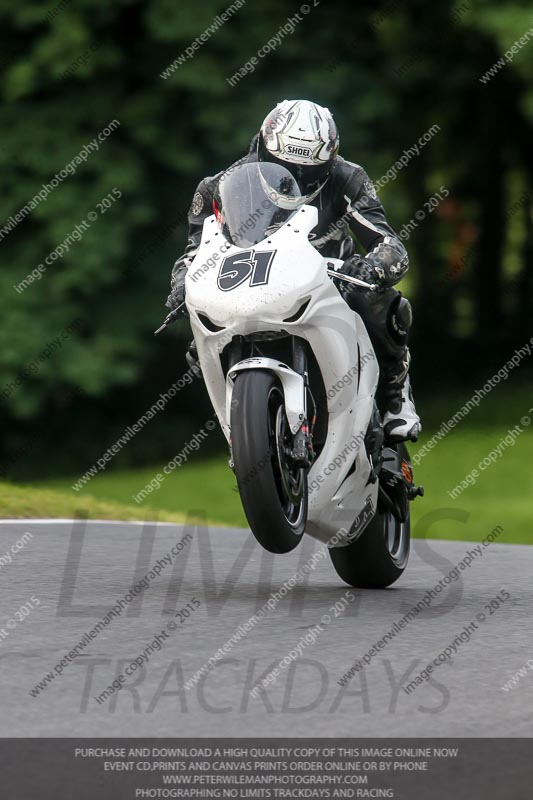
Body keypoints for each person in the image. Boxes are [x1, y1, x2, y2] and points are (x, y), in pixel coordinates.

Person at [166, 99, 420, 442]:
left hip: (329, 279)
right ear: (263, 148)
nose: (295, 178)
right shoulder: (218, 186)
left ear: (328, 163)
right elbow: (195, 251)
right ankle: (245, 432)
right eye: (282, 166)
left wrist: (373, 267)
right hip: (250, 281)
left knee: (377, 301)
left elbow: (389, 243)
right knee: (197, 342)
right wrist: (181, 284)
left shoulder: (348, 178)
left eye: (307, 171)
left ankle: (396, 393)